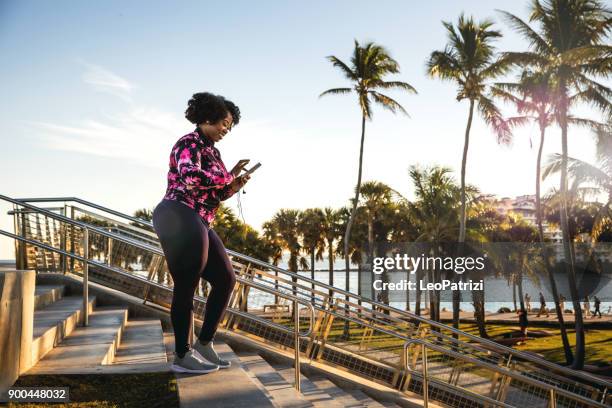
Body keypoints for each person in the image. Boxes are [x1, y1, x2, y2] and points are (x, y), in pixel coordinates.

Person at [153, 92, 251, 374]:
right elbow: (191, 178)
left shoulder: (213, 152)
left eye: (230, 126)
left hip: (200, 219)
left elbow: (216, 193)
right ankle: (182, 355)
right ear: (208, 117)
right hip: (178, 213)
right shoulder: (188, 143)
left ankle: (204, 342)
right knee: (187, 283)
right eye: (224, 123)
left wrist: (234, 182)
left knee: (226, 279)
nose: (226, 130)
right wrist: (228, 176)